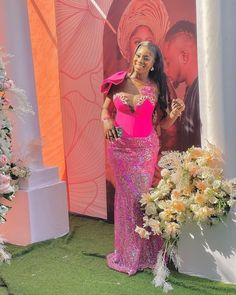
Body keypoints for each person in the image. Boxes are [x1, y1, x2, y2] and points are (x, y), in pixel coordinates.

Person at [100, 41, 185, 275]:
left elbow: (162, 123)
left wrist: (175, 114)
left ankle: (149, 253)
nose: (140, 60)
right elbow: (105, 112)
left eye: (146, 57)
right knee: (127, 200)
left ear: (154, 63)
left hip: (145, 150)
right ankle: (128, 254)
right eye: (138, 55)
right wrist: (107, 122)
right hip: (120, 149)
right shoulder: (117, 81)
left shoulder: (158, 86)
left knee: (141, 200)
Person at [164, 20, 201, 151]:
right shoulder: (191, 90)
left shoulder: (203, 93)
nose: (166, 70)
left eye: (168, 62)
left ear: (184, 57)